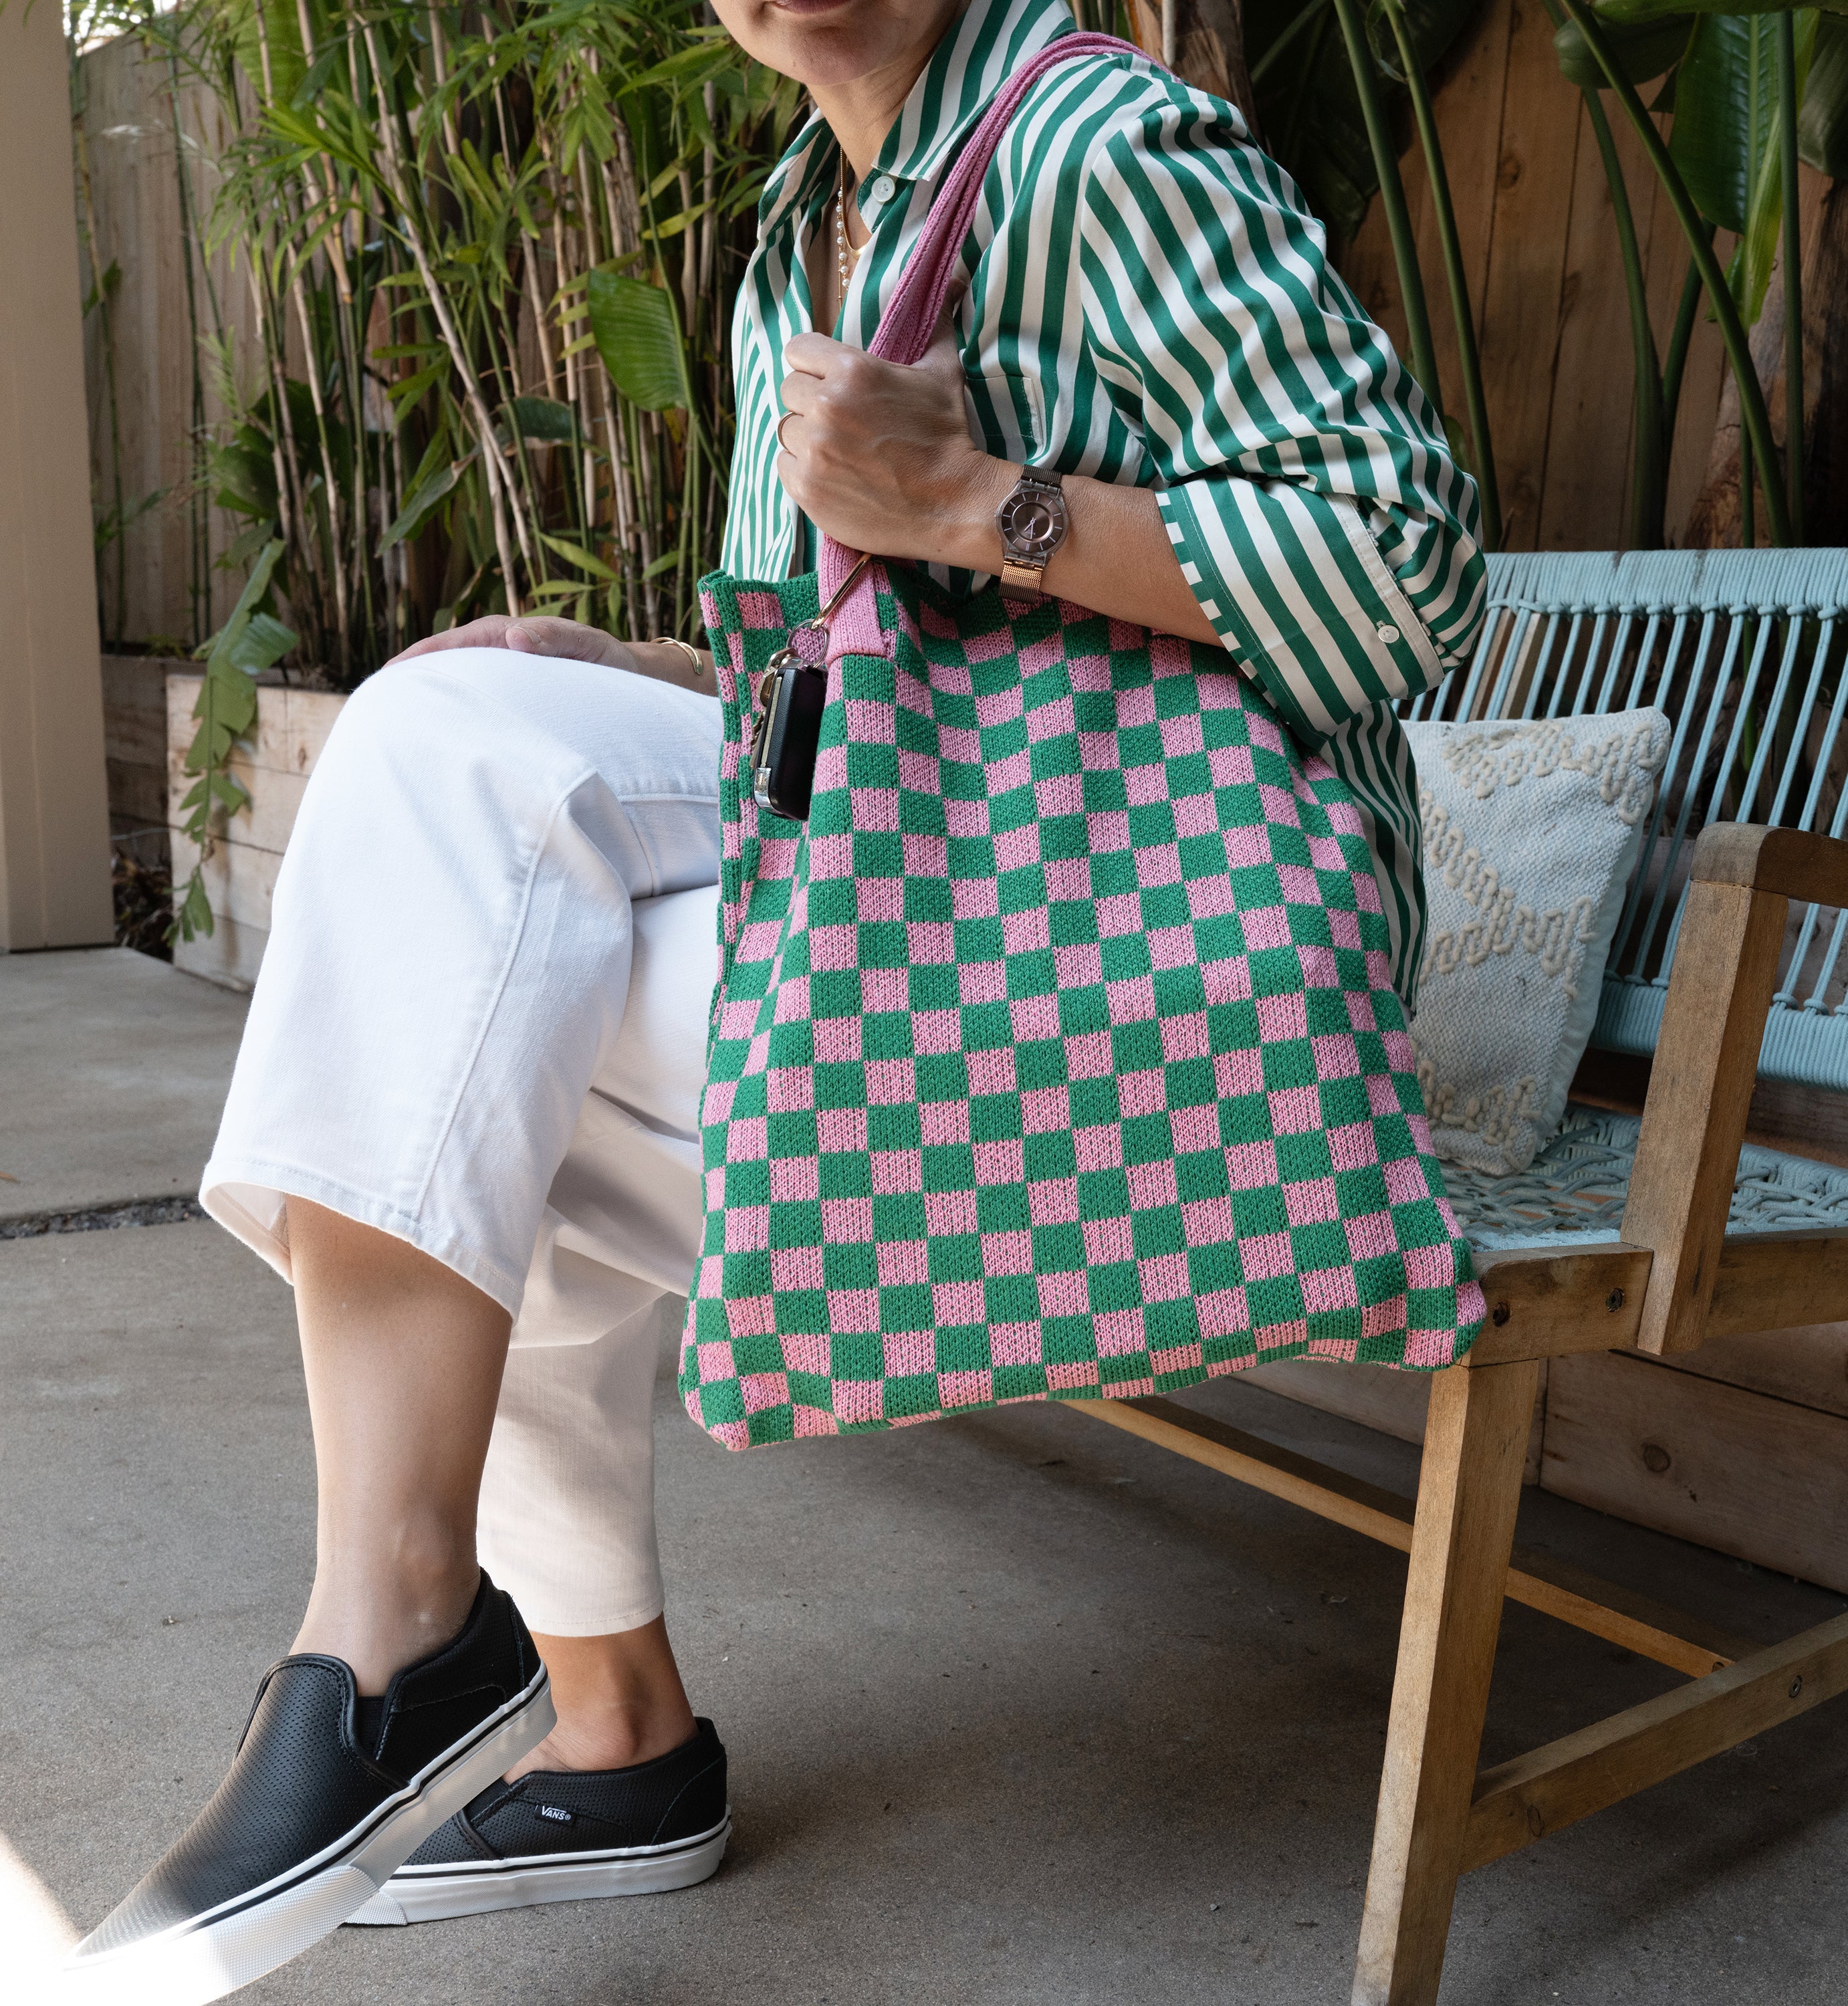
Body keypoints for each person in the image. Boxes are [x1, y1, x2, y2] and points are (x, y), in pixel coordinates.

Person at [63, 0, 1482, 1996]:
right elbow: (822, 708)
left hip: (1172, 985)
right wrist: (620, 664)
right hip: (943, 901)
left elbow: (1407, 566)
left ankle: (441, 1650)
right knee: (439, 769)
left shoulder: (1098, 148)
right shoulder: (805, 215)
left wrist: (979, 498)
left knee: (473, 982)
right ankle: (567, 1715)